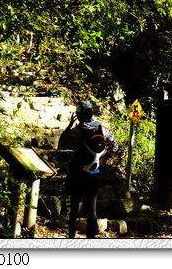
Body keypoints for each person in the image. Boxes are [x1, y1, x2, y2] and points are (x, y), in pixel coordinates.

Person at [58, 100, 119, 239]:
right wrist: (103, 159)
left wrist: (69, 125)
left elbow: (61, 143)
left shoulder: (78, 130)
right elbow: (115, 146)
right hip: (93, 174)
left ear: (78, 115)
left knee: (72, 213)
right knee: (92, 213)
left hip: (76, 174)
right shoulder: (101, 128)